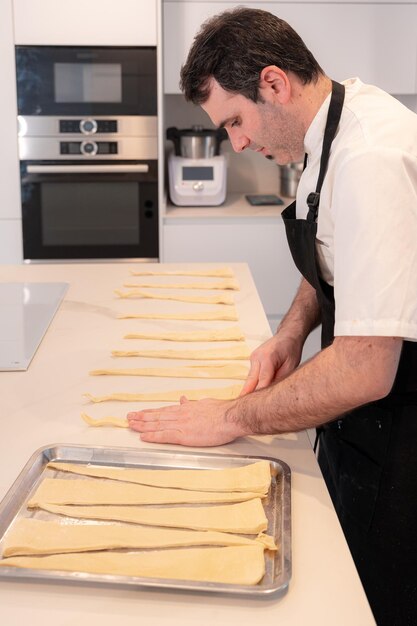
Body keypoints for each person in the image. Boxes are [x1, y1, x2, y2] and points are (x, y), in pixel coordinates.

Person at [127, 7, 417, 624]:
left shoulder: (369, 156)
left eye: (234, 120)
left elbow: (368, 368)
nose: (236, 143)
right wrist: (290, 333)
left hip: (402, 436)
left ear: (274, 83)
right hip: (358, 427)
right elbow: (334, 262)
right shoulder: (325, 133)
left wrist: (229, 417)